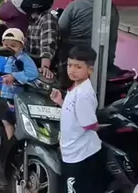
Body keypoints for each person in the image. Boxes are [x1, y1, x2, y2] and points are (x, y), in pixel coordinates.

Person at [50, 45, 104, 193]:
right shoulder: (76, 88)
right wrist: (61, 102)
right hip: (74, 151)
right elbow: (74, 113)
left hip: (80, 153)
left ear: (90, 70)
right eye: (70, 65)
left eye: (78, 67)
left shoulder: (82, 94)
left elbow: (89, 124)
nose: (72, 70)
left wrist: (98, 127)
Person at [58, 0, 119, 68]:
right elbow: (112, 37)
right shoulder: (111, 9)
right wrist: (109, 62)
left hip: (71, 58)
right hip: (98, 59)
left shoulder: (74, 6)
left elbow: (60, 29)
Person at [0, 28, 38, 139]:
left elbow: (33, 73)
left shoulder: (24, 59)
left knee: (13, 120)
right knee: (6, 119)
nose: (9, 48)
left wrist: (14, 76)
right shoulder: (9, 58)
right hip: (8, 94)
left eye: (13, 46)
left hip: (18, 95)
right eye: (6, 45)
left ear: (21, 46)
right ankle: (10, 141)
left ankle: (14, 141)